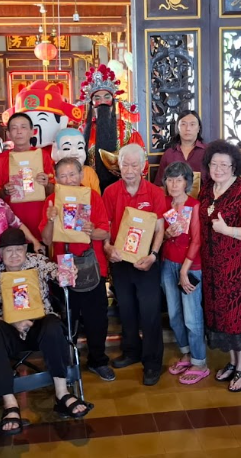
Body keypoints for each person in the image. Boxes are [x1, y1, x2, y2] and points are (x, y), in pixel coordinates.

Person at [0, 228, 92, 435]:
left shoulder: (38, 262)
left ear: (26, 249)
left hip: (40, 327)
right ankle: (10, 404)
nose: (14, 255)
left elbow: (57, 273)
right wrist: (12, 321)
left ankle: (62, 394)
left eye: (19, 249)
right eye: (8, 251)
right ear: (0, 253)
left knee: (53, 323)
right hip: (10, 331)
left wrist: (67, 272)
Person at [199, 140, 241, 392]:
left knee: (238, 315)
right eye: (214, 164)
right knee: (222, 314)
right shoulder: (207, 189)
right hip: (212, 265)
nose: (218, 169)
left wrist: (227, 230)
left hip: (239, 266)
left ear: (234, 167)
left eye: (224, 165)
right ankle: (232, 361)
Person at [40, 157, 113, 381]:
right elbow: (46, 240)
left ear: (82, 176)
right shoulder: (52, 200)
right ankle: (67, 361)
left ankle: (98, 360)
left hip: (92, 263)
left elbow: (105, 232)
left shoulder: (92, 197)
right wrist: (51, 220)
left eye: (72, 174)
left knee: (96, 317)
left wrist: (91, 230)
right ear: (56, 179)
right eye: (62, 176)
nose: (68, 179)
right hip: (63, 264)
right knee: (68, 315)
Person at [102, 144, 167, 386]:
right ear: (118, 166)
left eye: (134, 165)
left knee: (149, 313)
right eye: (125, 164)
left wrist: (153, 255)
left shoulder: (154, 193)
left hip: (145, 262)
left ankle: (152, 362)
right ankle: (131, 351)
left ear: (143, 167)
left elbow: (160, 228)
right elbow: (106, 224)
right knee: (126, 310)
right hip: (120, 261)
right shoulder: (110, 192)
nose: (129, 170)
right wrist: (108, 248)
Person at [159, 162, 207, 385]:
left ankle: (200, 362)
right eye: (170, 180)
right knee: (174, 314)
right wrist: (167, 235)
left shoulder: (194, 205)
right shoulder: (164, 203)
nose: (174, 184)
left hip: (191, 266)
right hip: (168, 263)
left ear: (187, 182)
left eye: (179, 180)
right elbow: (158, 236)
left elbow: (197, 240)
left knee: (192, 317)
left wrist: (184, 271)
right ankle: (186, 353)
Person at [78, 64, 145, 192]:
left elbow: (142, 162)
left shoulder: (126, 130)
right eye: (97, 98)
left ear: (113, 100)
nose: (102, 101)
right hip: (90, 189)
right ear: (91, 103)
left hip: (121, 188)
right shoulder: (82, 131)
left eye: (107, 97)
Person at [0, 112, 54, 239]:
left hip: (39, 218)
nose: (19, 132)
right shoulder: (0, 159)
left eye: (23, 127)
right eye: (14, 128)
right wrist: (5, 191)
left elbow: (53, 190)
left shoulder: (43, 155)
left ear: (32, 132)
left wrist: (46, 183)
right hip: (11, 220)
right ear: (8, 134)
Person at [154, 111, 206, 188]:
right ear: (177, 128)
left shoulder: (207, 152)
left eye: (192, 124)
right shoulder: (169, 154)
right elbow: (159, 184)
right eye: (183, 124)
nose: (188, 128)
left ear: (198, 128)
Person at [52, 128, 101, 194]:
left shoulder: (89, 172)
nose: (74, 153)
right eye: (66, 148)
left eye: (80, 147)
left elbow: (96, 197)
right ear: (55, 150)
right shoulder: (51, 173)